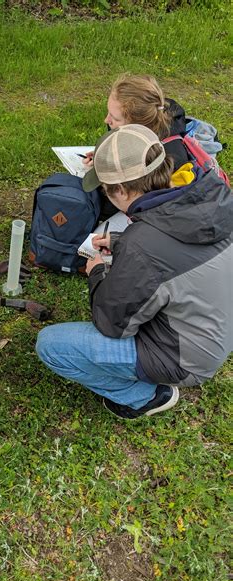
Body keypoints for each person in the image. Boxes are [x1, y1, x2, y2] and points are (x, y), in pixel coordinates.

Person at [37, 124, 232, 419]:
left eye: (104, 190)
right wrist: (120, 243)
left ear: (121, 190)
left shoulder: (142, 246)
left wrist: (97, 272)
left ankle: (146, 397)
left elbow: (112, 323)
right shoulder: (211, 191)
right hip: (214, 329)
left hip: (186, 359)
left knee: (52, 346)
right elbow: (177, 255)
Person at [87, 74, 192, 220]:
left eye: (115, 118)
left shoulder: (167, 160)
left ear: (138, 125)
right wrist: (106, 157)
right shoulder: (143, 131)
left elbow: (123, 201)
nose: (107, 120)